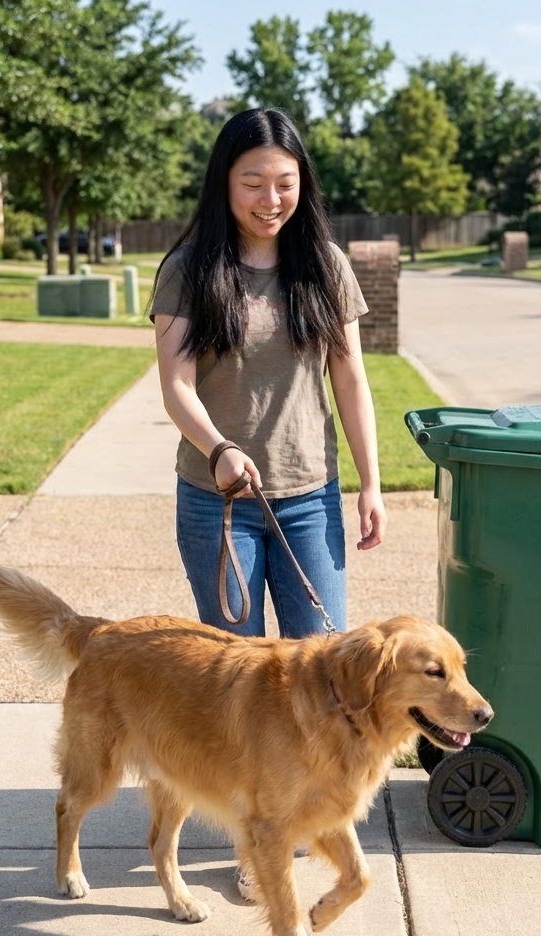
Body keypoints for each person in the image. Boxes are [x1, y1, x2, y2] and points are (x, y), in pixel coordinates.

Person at [150, 108, 386, 638]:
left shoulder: (326, 265)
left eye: (285, 184)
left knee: (326, 667)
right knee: (238, 674)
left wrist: (371, 484)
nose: (270, 200)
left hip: (311, 496)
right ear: (225, 183)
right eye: (253, 183)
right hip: (219, 503)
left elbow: (350, 381)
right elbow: (176, 385)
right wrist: (220, 450)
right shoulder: (186, 270)